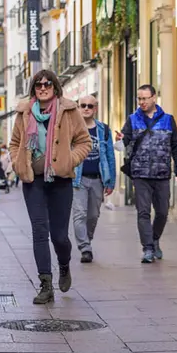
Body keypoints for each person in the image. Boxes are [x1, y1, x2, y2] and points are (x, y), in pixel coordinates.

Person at [10, 70, 91, 304]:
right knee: (39, 231)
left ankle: (64, 265)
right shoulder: (24, 112)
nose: (43, 88)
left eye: (47, 84)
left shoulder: (69, 110)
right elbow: (15, 143)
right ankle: (45, 284)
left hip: (60, 181)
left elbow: (84, 142)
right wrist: (18, 163)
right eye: (38, 85)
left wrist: (69, 160)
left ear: (55, 87)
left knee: (59, 236)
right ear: (33, 88)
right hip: (32, 180)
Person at [119, 85, 177, 264]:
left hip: (162, 173)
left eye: (145, 98)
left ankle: (155, 239)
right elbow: (123, 141)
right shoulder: (132, 120)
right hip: (140, 174)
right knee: (143, 212)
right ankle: (147, 248)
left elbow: (176, 146)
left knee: (163, 212)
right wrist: (119, 140)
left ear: (154, 98)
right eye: (139, 99)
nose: (142, 102)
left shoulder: (168, 120)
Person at [72, 95, 116, 263]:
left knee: (93, 215)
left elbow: (110, 156)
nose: (86, 108)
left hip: (98, 178)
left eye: (90, 106)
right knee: (79, 214)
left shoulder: (103, 129)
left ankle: (87, 241)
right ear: (78, 107)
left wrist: (111, 181)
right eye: (83, 105)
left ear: (95, 108)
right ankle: (84, 247)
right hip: (78, 178)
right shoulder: (72, 129)